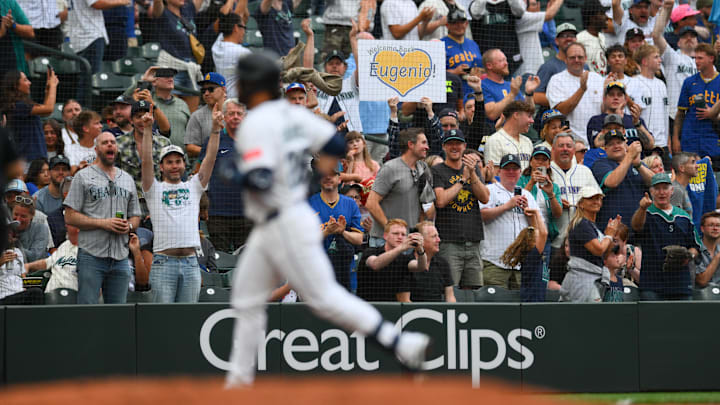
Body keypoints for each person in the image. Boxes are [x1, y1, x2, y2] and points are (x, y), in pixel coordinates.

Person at [224, 53, 430, 388]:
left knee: (322, 298)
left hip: (284, 223)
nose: (240, 85)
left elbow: (261, 178)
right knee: (247, 297)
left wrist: (238, 173)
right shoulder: (292, 115)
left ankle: (402, 343)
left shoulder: (257, 123)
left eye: (244, 80)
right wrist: (306, 180)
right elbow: (335, 142)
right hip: (282, 219)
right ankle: (238, 381)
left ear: (253, 84)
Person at [142, 100, 220, 303]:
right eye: (169, 162)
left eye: (178, 161)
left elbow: (210, 159)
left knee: (187, 321)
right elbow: (146, 161)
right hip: (163, 263)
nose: (174, 165)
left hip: (190, 263)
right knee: (164, 320)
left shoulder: (193, 187)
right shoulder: (153, 189)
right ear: (161, 167)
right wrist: (148, 129)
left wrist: (216, 131)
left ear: (184, 164)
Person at [64, 131, 142, 304]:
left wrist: (128, 226)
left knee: (118, 314)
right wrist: (103, 223)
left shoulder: (127, 179)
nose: (110, 145)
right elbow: (69, 217)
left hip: (120, 258)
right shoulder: (82, 176)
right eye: (105, 142)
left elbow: (136, 215)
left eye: (113, 142)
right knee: (88, 312)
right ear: (96, 148)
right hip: (91, 256)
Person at [432, 129, 489, 289]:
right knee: (451, 290)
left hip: (474, 240)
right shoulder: (437, 170)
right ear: (444, 147)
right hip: (449, 242)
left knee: (475, 291)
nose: (454, 147)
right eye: (450, 144)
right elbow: (441, 201)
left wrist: (473, 174)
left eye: (458, 143)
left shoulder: (473, 169)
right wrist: (463, 179)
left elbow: (484, 197)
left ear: (464, 146)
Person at [632, 173, 700, 300]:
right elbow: (636, 226)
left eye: (665, 188)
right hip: (652, 283)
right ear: (651, 191)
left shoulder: (683, 216)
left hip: (680, 283)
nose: (661, 192)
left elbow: (695, 245)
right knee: (653, 319)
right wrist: (642, 208)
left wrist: (689, 256)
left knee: (684, 319)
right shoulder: (646, 213)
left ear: (672, 190)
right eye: (657, 188)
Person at [365, 128, 435, 248]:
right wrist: (390, 229)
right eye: (423, 143)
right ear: (410, 145)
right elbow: (371, 203)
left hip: (410, 241)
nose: (427, 147)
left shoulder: (423, 169)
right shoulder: (390, 168)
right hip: (384, 241)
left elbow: (426, 205)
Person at [480, 153, 541, 290]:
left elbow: (538, 229)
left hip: (520, 264)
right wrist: (507, 206)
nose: (511, 172)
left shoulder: (527, 195)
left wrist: (529, 213)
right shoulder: (490, 190)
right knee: (495, 304)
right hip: (494, 262)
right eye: (507, 168)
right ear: (499, 171)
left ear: (520, 172)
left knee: (518, 308)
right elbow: (481, 215)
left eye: (515, 169)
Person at [198, 98, 250, 252]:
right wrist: (202, 203)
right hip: (218, 214)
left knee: (245, 262)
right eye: (231, 113)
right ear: (224, 117)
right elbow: (199, 174)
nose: (235, 117)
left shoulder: (254, 142)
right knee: (220, 260)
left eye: (239, 114)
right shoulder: (213, 141)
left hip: (247, 214)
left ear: (245, 117)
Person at [560, 186, 621, 302]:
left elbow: (603, 253)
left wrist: (612, 235)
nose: (597, 202)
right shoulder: (581, 224)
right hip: (581, 279)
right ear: (581, 204)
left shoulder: (591, 225)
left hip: (590, 278)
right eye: (591, 199)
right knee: (586, 316)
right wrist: (608, 235)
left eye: (599, 199)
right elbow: (598, 250)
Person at [309, 168, 364, 290]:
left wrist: (342, 232)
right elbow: (303, 241)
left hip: (344, 268)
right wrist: (326, 232)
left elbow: (359, 239)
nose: (328, 177)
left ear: (339, 179)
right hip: (316, 267)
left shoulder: (350, 204)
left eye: (333, 175)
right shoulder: (309, 203)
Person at [549, 132, 601, 251]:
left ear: (573, 150)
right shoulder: (547, 173)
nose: (565, 149)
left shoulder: (585, 172)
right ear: (553, 149)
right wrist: (555, 203)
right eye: (561, 146)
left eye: (569, 146)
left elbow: (598, 201)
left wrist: (580, 205)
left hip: (583, 242)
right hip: (555, 241)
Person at [149, 0, 204, 111]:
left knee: (191, 115)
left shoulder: (188, 9)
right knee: (172, 112)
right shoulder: (162, 12)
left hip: (191, 68)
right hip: (171, 69)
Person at [592, 130, 653, 227]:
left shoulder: (638, 163)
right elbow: (612, 182)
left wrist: (638, 165)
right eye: (611, 144)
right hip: (613, 228)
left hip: (640, 228)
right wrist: (629, 155)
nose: (616, 146)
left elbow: (654, 182)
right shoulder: (600, 164)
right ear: (605, 149)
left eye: (619, 143)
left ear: (625, 145)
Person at [652, 0, 697, 130]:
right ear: (678, 43)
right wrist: (666, 10)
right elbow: (656, 36)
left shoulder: (702, 63)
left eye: (692, 36)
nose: (689, 38)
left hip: (696, 116)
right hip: (674, 114)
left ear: (697, 42)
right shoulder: (672, 57)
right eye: (684, 37)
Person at [116, 101, 174, 201]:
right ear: (131, 120)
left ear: (153, 118)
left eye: (147, 115)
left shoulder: (164, 143)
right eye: (138, 116)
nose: (144, 119)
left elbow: (169, 178)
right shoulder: (118, 143)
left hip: (157, 201)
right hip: (126, 202)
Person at [546, 42, 604, 141]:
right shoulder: (557, 80)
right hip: (571, 142)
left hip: (597, 141)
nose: (576, 60)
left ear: (585, 58)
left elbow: (604, 111)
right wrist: (582, 90)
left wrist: (608, 92)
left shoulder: (597, 79)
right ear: (565, 60)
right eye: (572, 57)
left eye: (580, 57)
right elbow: (560, 112)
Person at [356, 218, 424, 301]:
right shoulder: (371, 251)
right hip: (368, 306)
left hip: (393, 308)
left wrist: (421, 250)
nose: (400, 237)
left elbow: (421, 266)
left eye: (403, 235)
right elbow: (375, 264)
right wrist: (400, 248)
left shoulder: (404, 259)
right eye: (395, 233)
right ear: (385, 236)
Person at [124, 66, 191, 149]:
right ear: (154, 81)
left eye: (171, 76)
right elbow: (124, 99)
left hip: (179, 157)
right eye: (166, 76)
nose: (170, 79)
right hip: (154, 154)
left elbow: (190, 133)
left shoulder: (182, 104)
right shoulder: (145, 102)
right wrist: (143, 80)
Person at [673, 43, 720, 160]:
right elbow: (680, 114)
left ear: (711, 58)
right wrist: (675, 138)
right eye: (695, 58)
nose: (696, 61)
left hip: (713, 140)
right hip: (690, 140)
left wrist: (712, 114)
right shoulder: (689, 82)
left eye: (700, 58)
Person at [0, 69, 58, 161]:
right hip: (29, 160)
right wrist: (53, 86)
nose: (30, 83)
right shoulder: (18, 106)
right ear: (16, 85)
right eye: (25, 80)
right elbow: (49, 108)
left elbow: (46, 112)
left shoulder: (20, 105)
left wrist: (48, 89)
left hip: (36, 158)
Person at [626, 44, 669, 155]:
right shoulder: (633, 83)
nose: (660, 60)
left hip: (663, 145)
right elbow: (631, 115)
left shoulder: (661, 84)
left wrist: (668, 141)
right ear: (645, 61)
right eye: (655, 57)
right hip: (645, 144)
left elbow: (665, 116)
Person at [397, 220, 456, 303]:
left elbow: (450, 297)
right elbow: (404, 300)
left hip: (438, 313)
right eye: (434, 236)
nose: (438, 240)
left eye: (438, 236)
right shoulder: (405, 263)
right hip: (413, 313)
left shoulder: (443, 263)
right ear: (421, 241)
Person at [518, 146, 562, 251]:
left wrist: (551, 195)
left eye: (544, 159)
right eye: (537, 159)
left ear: (548, 164)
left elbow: (558, 214)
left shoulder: (554, 186)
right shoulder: (521, 180)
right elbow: (517, 202)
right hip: (523, 233)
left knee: (542, 267)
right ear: (531, 162)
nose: (540, 162)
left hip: (544, 235)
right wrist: (531, 182)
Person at [500, 207, 548, 302]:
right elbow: (544, 233)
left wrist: (533, 217)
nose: (542, 241)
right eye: (538, 239)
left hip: (536, 300)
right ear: (531, 242)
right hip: (531, 301)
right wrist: (537, 212)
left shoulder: (532, 254)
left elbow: (537, 232)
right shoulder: (532, 256)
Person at [481, 49, 538, 123]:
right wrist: (512, 94)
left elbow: (529, 112)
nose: (506, 63)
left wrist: (528, 93)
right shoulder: (483, 85)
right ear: (489, 65)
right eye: (501, 61)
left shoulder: (509, 85)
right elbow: (492, 114)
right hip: (495, 132)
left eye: (506, 60)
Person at [24, 223, 80, 292]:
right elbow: (46, 263)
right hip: (51, 295)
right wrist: (28, 266)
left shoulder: (88, 251)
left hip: (73, 296)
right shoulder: (65, 245)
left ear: (79, 229)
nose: (66, 226)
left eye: (70, 224)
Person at [534, 23, 578, 108]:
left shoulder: (583, 65)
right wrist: (562, 102)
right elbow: (536, 96)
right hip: (555, 117)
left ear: (576, 39)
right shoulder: (548, 66)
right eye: (564, 36)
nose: (568, 38)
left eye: (572, 35)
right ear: (556, 41)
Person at [484, 100, 535, 173]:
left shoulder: (528, 142)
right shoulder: (495, 140)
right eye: (529, 116)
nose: (532, 121)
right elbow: (493, 175)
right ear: (516, 115)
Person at [185, 72, 227, 160]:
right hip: (206, 165)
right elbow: (190, 147)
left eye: (211, 89)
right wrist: (214, 153)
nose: (206, 93)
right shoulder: (197, 115)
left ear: (223, 89)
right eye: (203, 90)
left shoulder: (234, 111)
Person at [442, 8, 482, 97]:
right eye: (455, 23)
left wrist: (477, 71)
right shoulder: (440, 44)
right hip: (451, 92)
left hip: (473, 91)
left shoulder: (473, 44)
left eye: (462, 22)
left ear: (466, 24)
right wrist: (454, 71)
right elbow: (433, 74)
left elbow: (482, 69)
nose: (459, 26)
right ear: (447, 25)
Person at [211, 13, 250, 100]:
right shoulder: (242, 52)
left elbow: (227, 21)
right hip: (237, 103)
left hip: (223, 101)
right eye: (244, 28)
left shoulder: (216, 46)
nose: (244, 32)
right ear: (236, 28)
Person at [10, 196, 50, 262]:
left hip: (35, 270)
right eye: (16, 214)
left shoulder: (40, 229)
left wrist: (14, 244)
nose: (18, 219)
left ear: (32, 215)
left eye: (23, 216)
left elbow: (34, 257)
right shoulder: (6, 229)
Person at [0, 0, 34, 78]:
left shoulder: (8, 2)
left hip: (13, 69)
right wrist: (1, 32)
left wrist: (13, 25)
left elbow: (30, 32)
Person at [577, 0, 610, 75]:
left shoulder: (602, 37)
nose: (606, 17)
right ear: (592, 18)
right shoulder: (580, 39)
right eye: (602, 14)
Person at [695, 211, 720, 287]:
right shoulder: (695, 250)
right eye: (711, 225)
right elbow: (702, 281)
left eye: (718, 225)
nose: (715, 228)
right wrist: (718, 257)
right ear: (702, 228)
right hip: (701, 296)